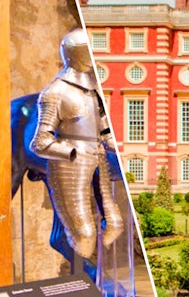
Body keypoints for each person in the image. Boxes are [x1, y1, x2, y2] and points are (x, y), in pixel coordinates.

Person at [30, 29, 124, 267]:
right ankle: (85, 272)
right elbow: (39, 142)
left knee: (115, 224)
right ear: (78, 54)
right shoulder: (54, 93)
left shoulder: (93, 93)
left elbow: (104, 130)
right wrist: (71, 152)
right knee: (84, 235)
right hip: (70, 165)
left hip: (98, 158)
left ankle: (98, 273)